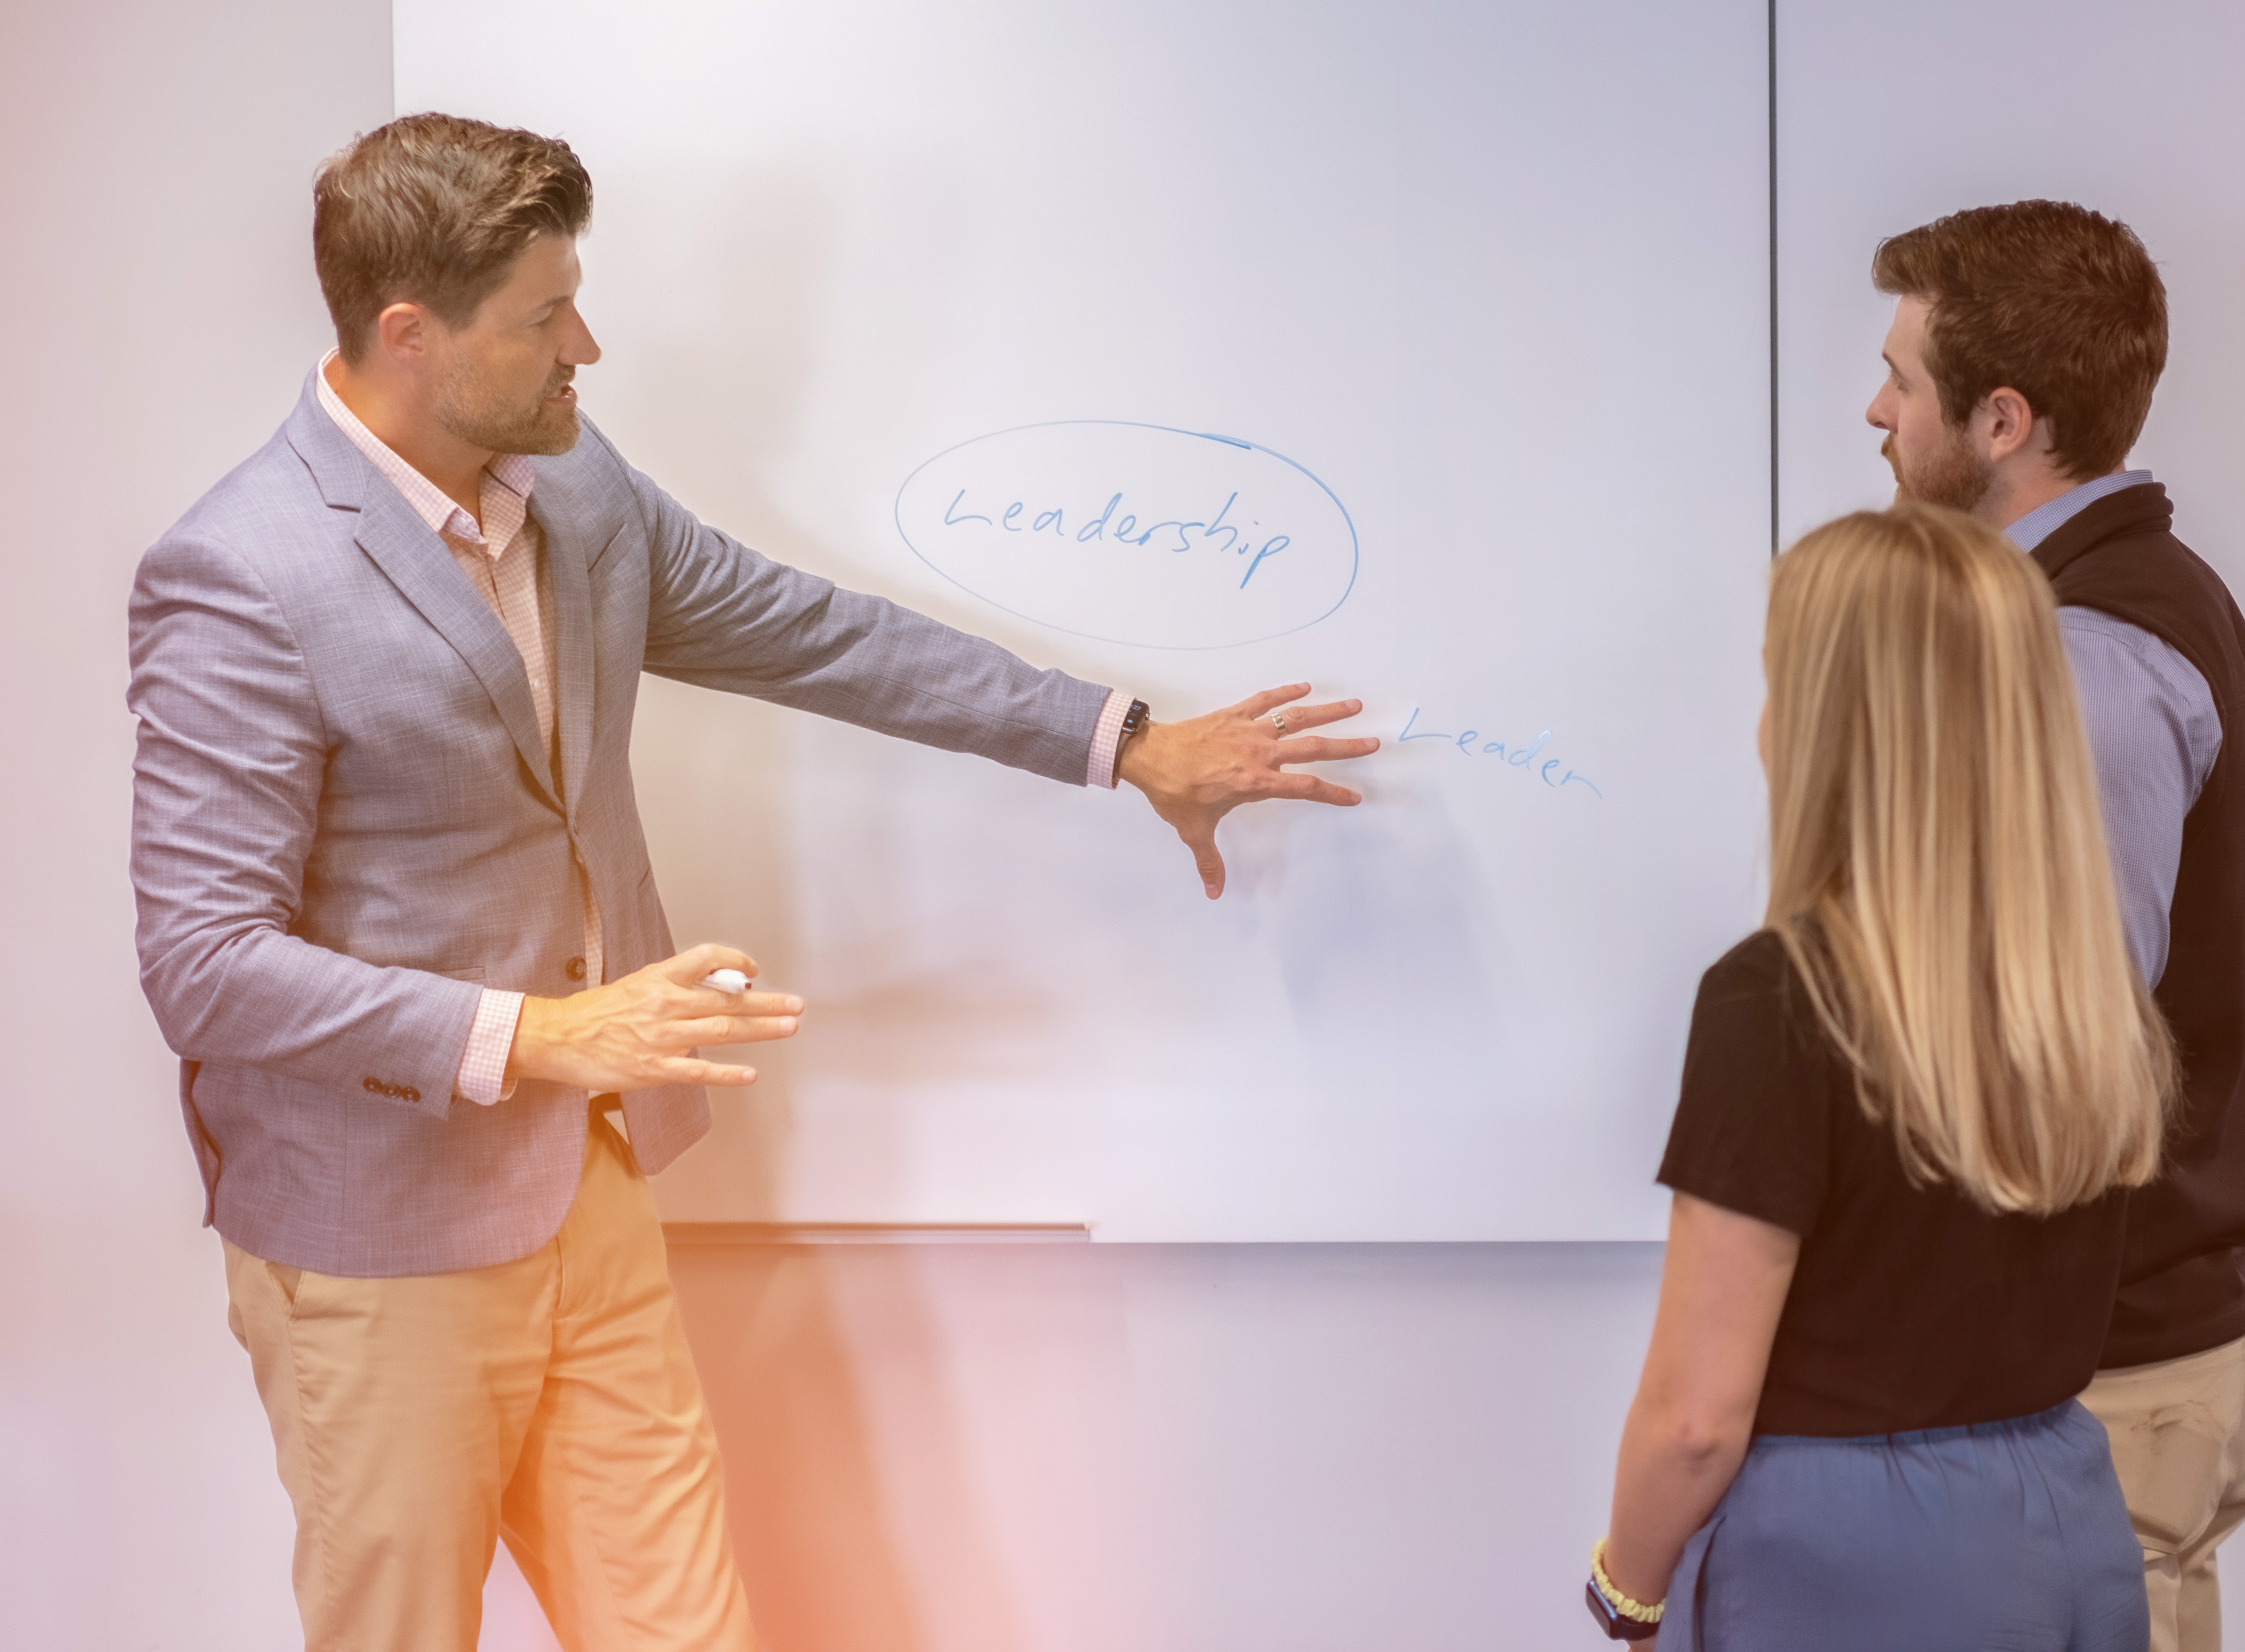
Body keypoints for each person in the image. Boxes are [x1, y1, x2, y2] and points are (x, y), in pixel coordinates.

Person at [125, 114, 1376, 1652]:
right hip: (373, 1244)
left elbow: (821, 635)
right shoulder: (240, 572)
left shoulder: (577, 496)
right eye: (542, 315)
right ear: (410, 332)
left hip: (586, 1194)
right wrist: (541, 1036)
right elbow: (203, 961)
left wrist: (1128, 742)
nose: (586, 342)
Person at [1589, 505, 2174, 1649]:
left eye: (1780, 685)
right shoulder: (2086, 991)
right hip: (2063, 1516)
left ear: (1836, 724)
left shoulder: (1780, 1000)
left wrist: (1627, 1590)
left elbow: (1696, 1420)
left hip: (1843, 1561)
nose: (1764, 728)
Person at [1864, 201, 2245, 1652]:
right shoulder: (2115, 608)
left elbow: (2066, 1063)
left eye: (1902, 380)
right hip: (2120, 1357)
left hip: (2099, 1378)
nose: (1877, 408)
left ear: (2000, 418)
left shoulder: (2083, 654)